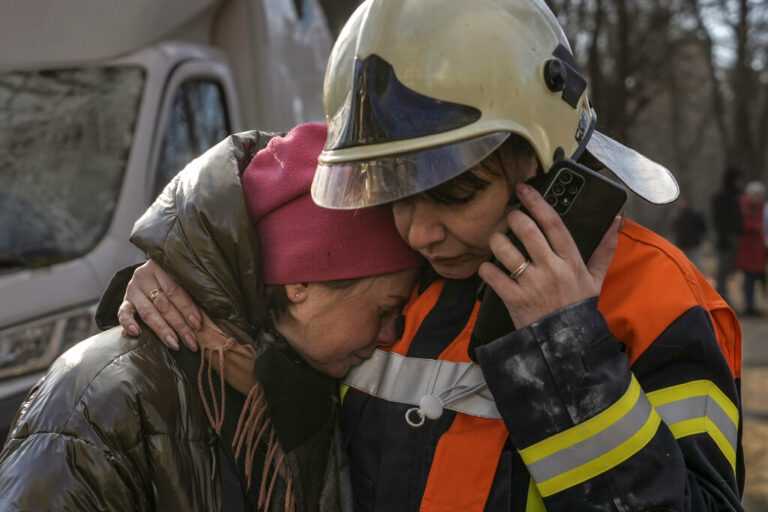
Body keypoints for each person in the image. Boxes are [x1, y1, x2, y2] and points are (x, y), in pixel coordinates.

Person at [114, 1, 744, 511]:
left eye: (452, 193)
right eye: (390, 193)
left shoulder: (660, 300)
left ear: (546, 161)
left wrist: (567, 350)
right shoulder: (389, 268)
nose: (417, 232)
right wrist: (184, 263)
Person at [0, 123, 422, 511]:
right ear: (300, 285)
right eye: (385, 310)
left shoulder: (304, 390)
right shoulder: (100, 396)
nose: (390, 335)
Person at [712, 166, 745, 303]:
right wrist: (725, 236)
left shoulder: (737, 196)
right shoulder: (721, 197)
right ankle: (721, 295)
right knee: (723, 269)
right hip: (724, 238)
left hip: (733, 237)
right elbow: (719, 219)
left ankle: (724, 294)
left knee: (729, 269)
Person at [736, 181, 767, 316]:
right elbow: (744, 226)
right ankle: (750, 306)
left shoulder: (762, 208)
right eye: (756, 195)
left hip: (759, 250)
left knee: (760, 279)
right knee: (749, 279)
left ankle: (753, 305)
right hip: (749, 250)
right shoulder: (744, 207)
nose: (758, 198)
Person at [671, 197, 708, 269]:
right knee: (683, 265)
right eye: (681, 203)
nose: (682, 205)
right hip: (682, 245)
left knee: (695, 265)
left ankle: (697, 279)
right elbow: (674, 229)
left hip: (693, 245)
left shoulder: (694, 215)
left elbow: (703, 228)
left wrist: (699, 238)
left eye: (683, 203)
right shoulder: (678, 217)